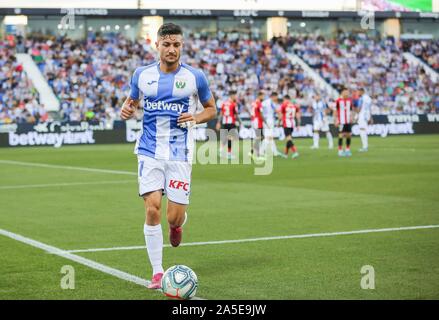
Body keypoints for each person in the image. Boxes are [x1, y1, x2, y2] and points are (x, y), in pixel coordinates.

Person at [119, 23, 216, 289]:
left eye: (176, 45)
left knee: (173, 216)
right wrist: (125, 110)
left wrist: (196, 117)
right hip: (148, 150)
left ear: (181, 46)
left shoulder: (196, 77)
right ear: (157, 45)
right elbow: (131, 102)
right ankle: (158, 272)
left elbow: (211, 109)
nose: (171, 49)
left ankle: (177, 226)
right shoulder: (141, 74)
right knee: (152, 209)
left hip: (179, 153)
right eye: (167, 44)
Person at [216, 90, 240, 159]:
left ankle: (221, 149)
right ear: (232, 96)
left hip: (225, 122)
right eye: (235, 95)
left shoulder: (224, 103)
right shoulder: (233, 104)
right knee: (231, 137)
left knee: (229, 137)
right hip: (231, 122)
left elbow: (221, 114)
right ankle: (229, 154)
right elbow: (236, 115)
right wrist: (240, 122)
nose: (236, 97)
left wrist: (218, 122)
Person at [261, 92, 284, 157]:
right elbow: (277, 111)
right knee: (268, 137)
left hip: (265, 120)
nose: (276, 99)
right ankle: (261, 151)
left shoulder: (264, 102)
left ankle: (275, 152)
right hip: (269, 120)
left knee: (270, 137)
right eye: (276, 97)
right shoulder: (270, 102)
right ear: (273, 96)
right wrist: (280, 115)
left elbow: (260, 110)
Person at [335, 87, 354, 157]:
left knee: (349, 135)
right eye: (345, 92)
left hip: (348, 121)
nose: (347, 93)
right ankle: (340, 150)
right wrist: (336, 120)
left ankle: (347, 149)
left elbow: (351, 110)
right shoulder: (338, 101)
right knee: (341, 135)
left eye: (348, 92)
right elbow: (335, 111)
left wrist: (352, 117)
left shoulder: (350, 101)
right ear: (342, 93)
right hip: (341, 121)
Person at [248, 91, 265, 161]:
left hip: (254, 121)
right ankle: (256, 154)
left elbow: (251, 113)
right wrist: (265, 121)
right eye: (263, 96)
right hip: (258, 121)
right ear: (260, 96)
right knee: (259, 137)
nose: (263, 97)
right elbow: (261, 114)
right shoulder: (259, 103)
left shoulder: (253, 103)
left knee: (261, 137)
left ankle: (252, 152)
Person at [357, 88, 372, 152]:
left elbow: (359, 108)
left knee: (362, 130)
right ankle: (365, 146)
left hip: (362, 115)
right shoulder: (368, 98)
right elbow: (369, 108)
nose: (358, 93)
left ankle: (365, 147)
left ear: (362, 91)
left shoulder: (361, 98)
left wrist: (356, 114)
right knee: (364, 130)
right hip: (367, 115)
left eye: (359, 92)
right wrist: (370, 117)